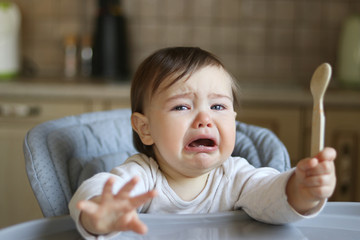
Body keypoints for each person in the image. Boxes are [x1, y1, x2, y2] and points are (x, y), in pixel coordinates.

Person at [69, 47, 336, 239]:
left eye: (218, 105)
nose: (205, 119)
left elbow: (272, 195)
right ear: (145, 128)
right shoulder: (143, 176)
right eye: (182, 107)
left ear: (233, 118)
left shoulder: (235, 177)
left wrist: (303, 189)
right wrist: (100, 214)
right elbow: (101, 188)